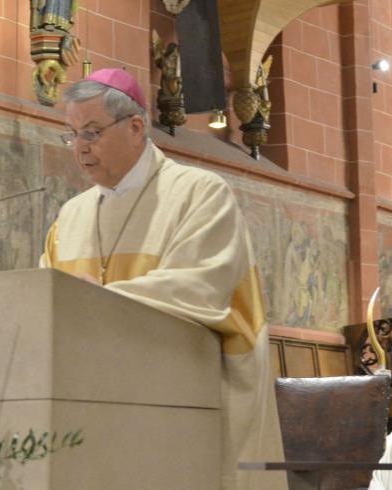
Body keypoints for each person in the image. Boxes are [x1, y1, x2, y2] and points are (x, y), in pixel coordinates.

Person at [40, 68, 282, 490]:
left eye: (92, 133)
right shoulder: (70, 216)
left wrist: (98, 299)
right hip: (95, 404)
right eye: (72, 134)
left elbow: (198, 290)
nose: (79, 148)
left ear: (136, 127)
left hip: (192, 407)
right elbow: (47, 304)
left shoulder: (200, 194)